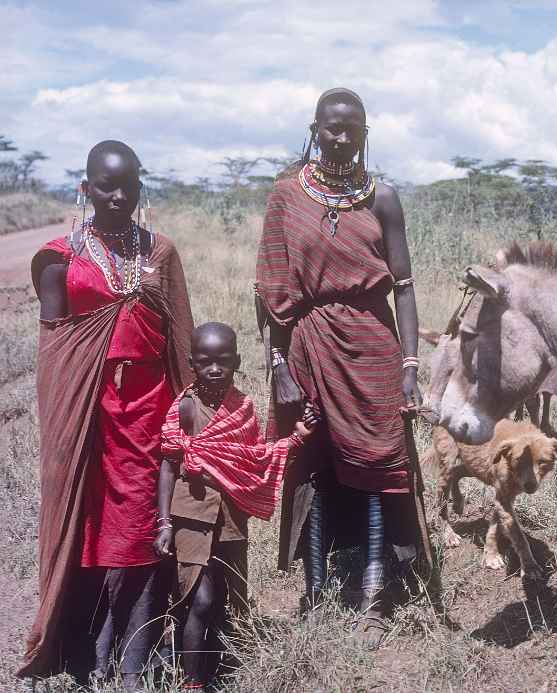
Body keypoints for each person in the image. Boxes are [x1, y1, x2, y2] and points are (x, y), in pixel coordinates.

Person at [21, 140, 194, 690]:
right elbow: (57, 361)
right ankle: (90, 648)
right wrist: (67, 431)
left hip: (151, 413)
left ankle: (135, 656)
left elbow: (181, 340)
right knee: (93, 528)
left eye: (130, 185)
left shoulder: (160, 253)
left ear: (143, 184)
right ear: (85, 188)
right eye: (105, 186)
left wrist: (191, 411)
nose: (119, 196)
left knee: (146, 526)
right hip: (91, 416)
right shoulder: (59, 260)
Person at [255, 88, 423, 646]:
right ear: (316, 128)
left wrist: (410, 364)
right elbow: (271, 289)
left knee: (378, 465)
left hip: (372, 347)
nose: (342, 137)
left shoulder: (384, 199)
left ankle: (374, 598)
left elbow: (402, 287)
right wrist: (277, 362)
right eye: (333, 127)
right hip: (307, 344)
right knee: (314, 463)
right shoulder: (285, 196)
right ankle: (316, 589)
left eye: (353, 127)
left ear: (366, 132)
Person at [155, 322, 318, 689]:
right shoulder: (184, 408)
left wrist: (297, 439)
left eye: (223, 361)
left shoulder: (242, 407)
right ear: (192, 363)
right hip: (191, 515)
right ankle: (192, 683)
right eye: (205, 361)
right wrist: (164, 523)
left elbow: (254, 459)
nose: (215, 369)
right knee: (199, 598)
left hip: (231, 518)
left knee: (226, 597)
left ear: (237, 361)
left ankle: (219, 667)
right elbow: (167, 464)